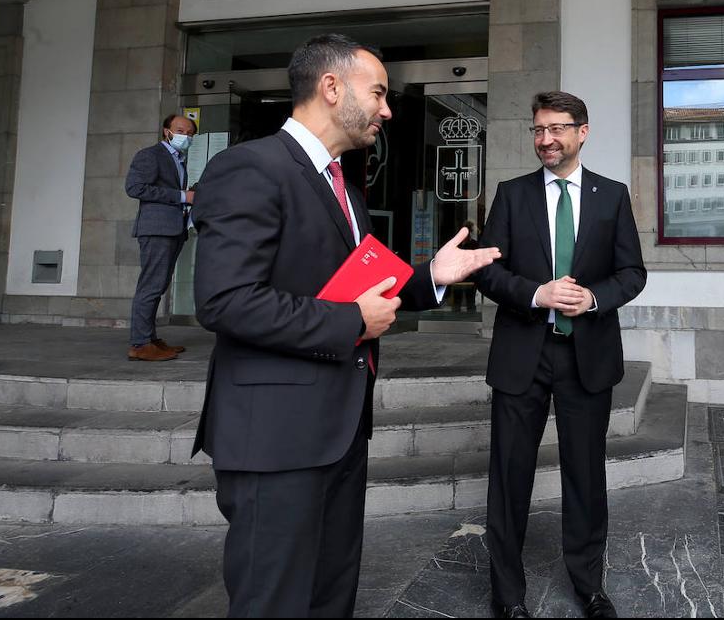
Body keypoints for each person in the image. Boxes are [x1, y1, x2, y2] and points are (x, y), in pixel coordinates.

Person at [190, 34, 499, 618]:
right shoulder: (248, 168)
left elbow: (359, 284)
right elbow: (225, 300)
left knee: (332, 596)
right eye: (378, 92)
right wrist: (350, 321)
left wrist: (432, 274)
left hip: (340, 429)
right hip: (274, 439)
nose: (387, 109)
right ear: (331, 88)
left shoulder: (345, 188)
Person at [475, 91, 646, 619]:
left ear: (582, 132)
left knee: (585, 476)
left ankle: (589, 586)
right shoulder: (511, 194)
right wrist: (535, 293)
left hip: (585, 356)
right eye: (537, 130)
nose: (545, 139)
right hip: (522, 354)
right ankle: (508, 595)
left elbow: (632, 273)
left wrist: (594, 298)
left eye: (556, 129)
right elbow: (486, 270)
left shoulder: (612, 196)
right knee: (509, 477)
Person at [124, 114, 197, 362]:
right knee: (151, 286)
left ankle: (150, 338)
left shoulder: (179, 159)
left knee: (158, 286)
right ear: (167, 131)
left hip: (174, 230)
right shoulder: (150, 155)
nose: (185, 136)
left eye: (189, 133)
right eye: (180, 130)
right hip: (157, 229)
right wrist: (181, 196)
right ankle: (140, 343)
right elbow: (135, 187)